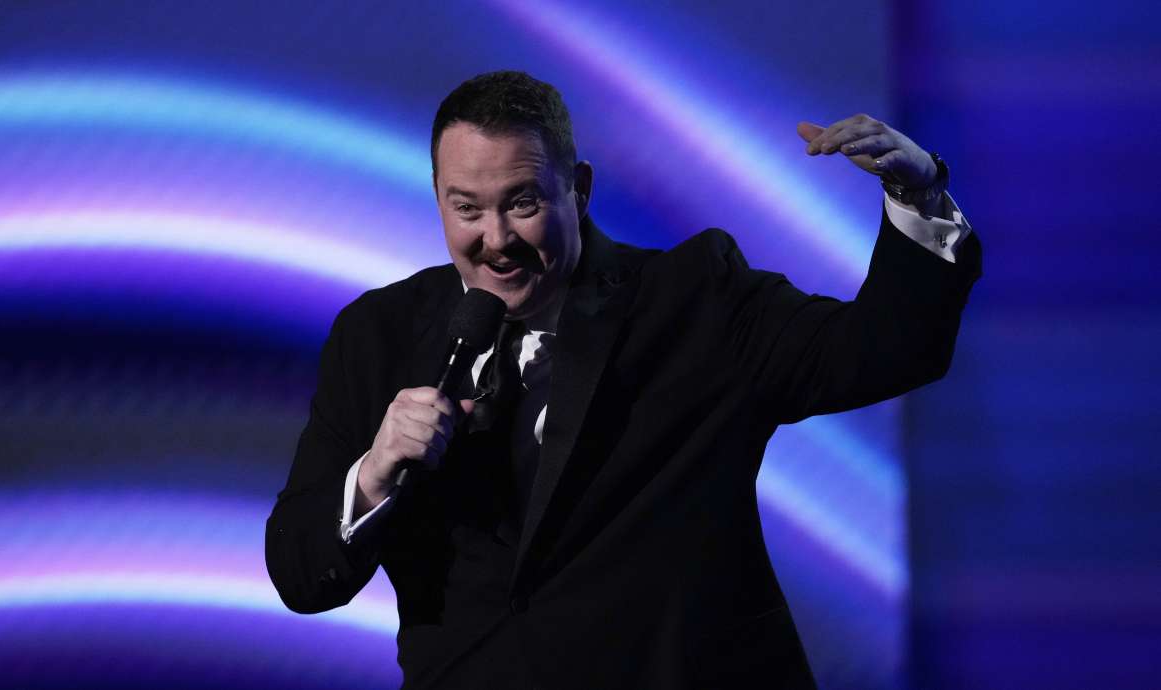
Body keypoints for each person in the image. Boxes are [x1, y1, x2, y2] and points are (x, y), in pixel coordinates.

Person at [265, 70, 979, 689]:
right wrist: (376, 475)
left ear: (577, 190)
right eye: (466, 208)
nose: (495, 240)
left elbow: (886, 350)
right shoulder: (378, 336)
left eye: (521, 203)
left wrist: (919, 196)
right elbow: (301, 575)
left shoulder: (695, 300)